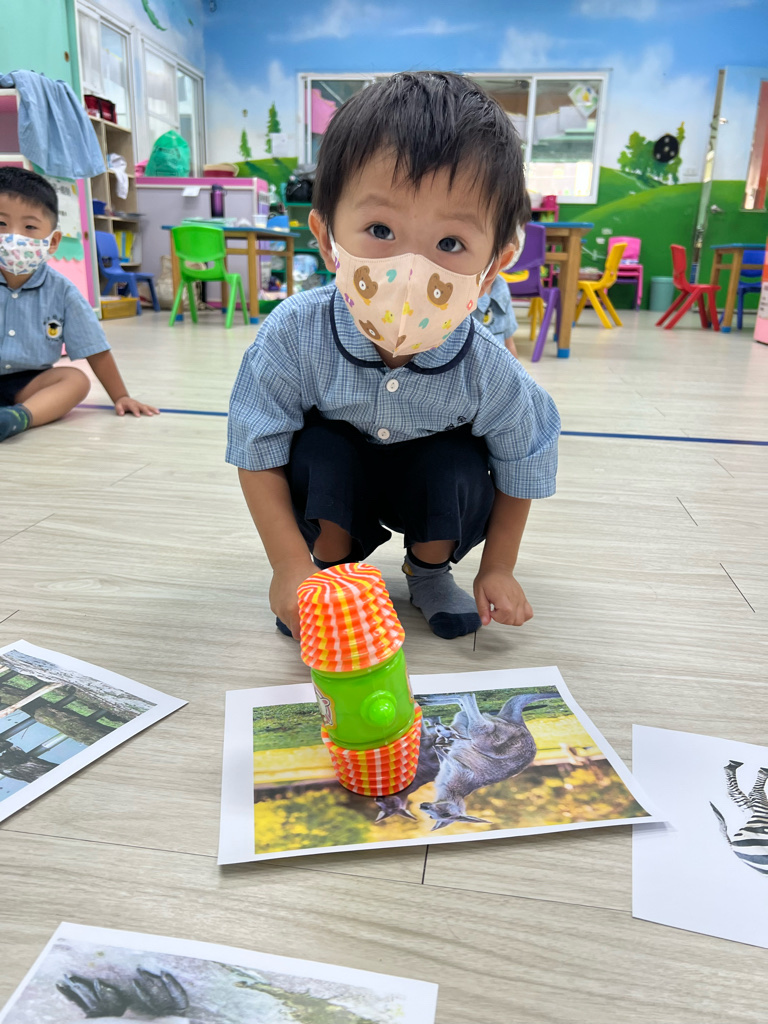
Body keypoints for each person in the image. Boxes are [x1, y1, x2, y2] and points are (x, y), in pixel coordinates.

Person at [227, 72, 560, 641]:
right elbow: (257, 448)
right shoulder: (293, 334)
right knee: (318, 452)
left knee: (453, 465)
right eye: (380, 229)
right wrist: (287, 565)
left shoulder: (489, 368)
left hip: (425, 485)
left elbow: (522, 462)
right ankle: (329, 572)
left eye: (450, 243)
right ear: (326, 237)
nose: (410, 271)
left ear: (492, 268)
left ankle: (428, 573)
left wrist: (499, 567)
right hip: (344, 481)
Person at [0, 167, 158, 443]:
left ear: (53, 241)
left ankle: (17, 418)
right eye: (1, 224)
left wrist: (120, 396)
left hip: (30, 384)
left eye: (30, 227)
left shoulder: (62, 291)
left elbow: (95, 349)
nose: (14, 237)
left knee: (75, 380)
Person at [472, 273, 519, 357]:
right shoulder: (464, 291)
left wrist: (516, 364)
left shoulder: (501, 285)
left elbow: (509, 342)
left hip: (499, 359)